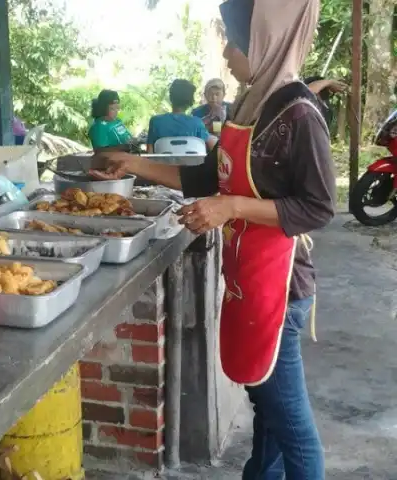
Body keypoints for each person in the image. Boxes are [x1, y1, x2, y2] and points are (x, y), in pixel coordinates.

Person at [91, 0, 335, 478]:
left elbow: (318, 207)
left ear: (263, 42)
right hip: (249, 278)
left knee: (295, 434)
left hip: (281, 292)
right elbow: (210, 175)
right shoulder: (254, 102)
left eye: (234, 40)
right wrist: (134, 164)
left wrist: (233, 208)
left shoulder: (300, 112)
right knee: (268, 409)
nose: (226, 53)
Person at [147, 79, 216, 153]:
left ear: (171, 98)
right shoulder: (197, 123)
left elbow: (150, 153)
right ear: (190, 101)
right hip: (192, 164)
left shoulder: (155, 122)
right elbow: (214, 147)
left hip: (162, 164)